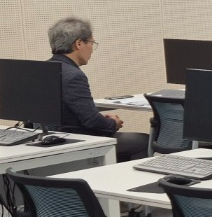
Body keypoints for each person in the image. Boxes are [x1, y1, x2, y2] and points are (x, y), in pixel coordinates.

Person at [46, 17, 148, 163]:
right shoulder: (74, 75)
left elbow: (73, 110)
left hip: (54, 137)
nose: (92, 49)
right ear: (79, 44)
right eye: (92, 43)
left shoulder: (45, 69)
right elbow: (91, 121)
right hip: (78, 140)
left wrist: (100, 118)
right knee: (143, 140)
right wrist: (113, 124)